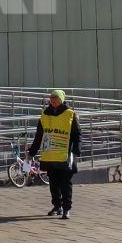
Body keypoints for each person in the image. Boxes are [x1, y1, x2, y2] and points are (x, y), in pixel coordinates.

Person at [27, 88, 82, 221]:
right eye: (51, 98)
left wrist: (76, 150)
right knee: (53, 183)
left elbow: (77, 134)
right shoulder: (45, 115)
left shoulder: (70, 114)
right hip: (50, 155)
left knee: (65, 183)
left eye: (55, 98)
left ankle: (66, 209)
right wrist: (32, 152)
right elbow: (39, 136)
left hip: (65, 155)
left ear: (61, 99)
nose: (53, 100)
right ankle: (57, 206)